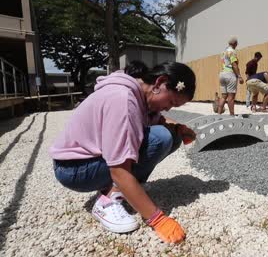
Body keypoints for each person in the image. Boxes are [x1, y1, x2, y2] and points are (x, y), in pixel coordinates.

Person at [49, 61, 197, 244]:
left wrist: (178, 128)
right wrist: (158, 219)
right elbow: (118, 170)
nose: (168, 108)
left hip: (86, 162)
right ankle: (108, 200)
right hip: (75, 170)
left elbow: (157, 120)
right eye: (171, 102)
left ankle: (123, 190)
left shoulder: (138, 93)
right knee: (161, 138)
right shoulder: (123, 101)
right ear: (159, 83)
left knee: (171, 136)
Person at [218, 37, 244, 115]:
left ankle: (218, 114)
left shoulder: (224, 52)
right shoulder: (232, 52)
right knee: (231, 97)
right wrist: (239, 76)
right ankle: (232, 115)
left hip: (222, 74)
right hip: (230, 74)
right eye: (236, 44)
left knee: (223, 96)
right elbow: (234, 64)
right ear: (235, 44)